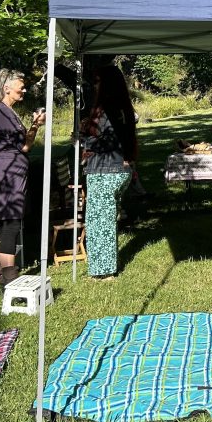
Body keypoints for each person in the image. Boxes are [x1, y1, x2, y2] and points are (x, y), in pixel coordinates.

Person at [0, 69, 46, 285]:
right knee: (12, 225)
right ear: (6, 87)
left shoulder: (8, 111)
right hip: (7, 172)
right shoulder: (0, 111)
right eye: (21, 85)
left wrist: (36, 124)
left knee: (6, 222)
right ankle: (11, 279)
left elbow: (25, 146)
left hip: (14, 169)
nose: (24, 89)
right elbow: (20, 146)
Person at [81, 57, 138, 278]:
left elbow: (103, 142)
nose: (94, 86)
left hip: (105, 170)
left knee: (99, 223)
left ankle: (103, 272)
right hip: (118, 169)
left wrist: (85, 139)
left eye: (97, 81)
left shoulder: (107, 110)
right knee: (103, 220)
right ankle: (103, 268)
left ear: (105, 84)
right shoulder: (123, 107)